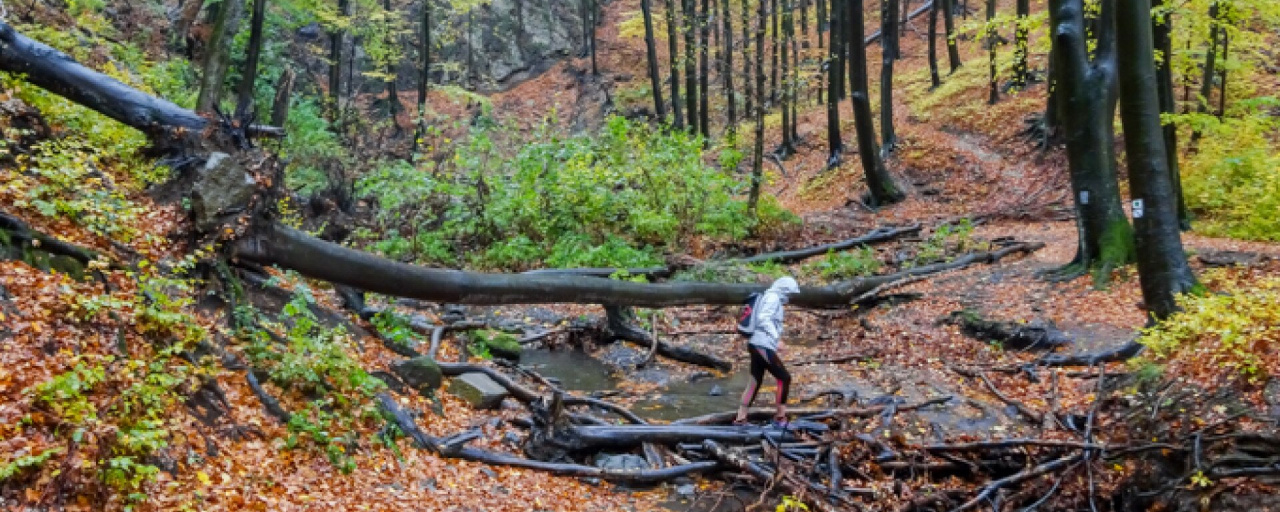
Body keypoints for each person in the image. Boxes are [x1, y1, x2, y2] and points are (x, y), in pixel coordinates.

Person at [734, 276, 800, 426]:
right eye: (790, 293)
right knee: (784, 378)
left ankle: (741, 418)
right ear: (784, 290)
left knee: (754, 381)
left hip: (757, 344)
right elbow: (764, 318)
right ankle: (780, 418)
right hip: (762, 345)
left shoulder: (770, 297)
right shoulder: (773, 298)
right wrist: (776, 339)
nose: (790, 297)